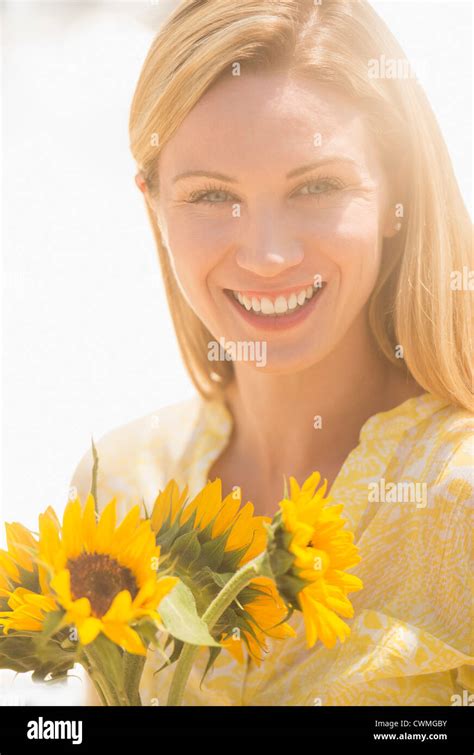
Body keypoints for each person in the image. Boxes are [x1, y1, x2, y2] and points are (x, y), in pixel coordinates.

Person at [71, 0, 473, 706]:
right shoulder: (118, 491)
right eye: (211, 196)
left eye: (316, 186)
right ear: (154, 204)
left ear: (395, 194)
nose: (268, 255)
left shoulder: (460, 502)